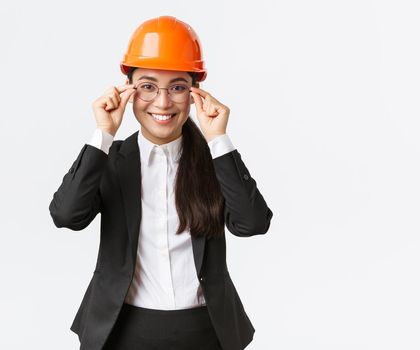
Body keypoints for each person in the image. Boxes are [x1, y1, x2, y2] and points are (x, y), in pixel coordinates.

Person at [49, 16, 273, 350]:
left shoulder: (215, 163)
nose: (163, 102)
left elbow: (252, 223)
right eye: (148, 86)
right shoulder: (110, 160)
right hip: (122, 331)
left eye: (178, 87)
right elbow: (67, 215)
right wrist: (103, 135)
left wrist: (219, 140)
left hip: (205, 332)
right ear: (128, 90)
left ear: (195, 93)